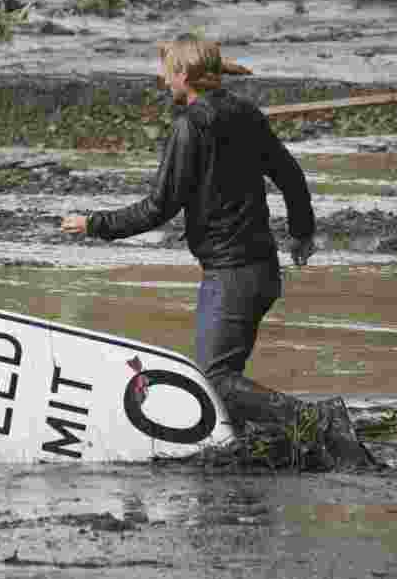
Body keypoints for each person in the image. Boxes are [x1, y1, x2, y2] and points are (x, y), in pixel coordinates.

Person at [61, 38, 373, 469]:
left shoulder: (191, 127)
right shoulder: (245, 113)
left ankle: (318, 421)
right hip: (260, 271)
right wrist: (301, 233)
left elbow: (159, 206)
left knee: (215, 382)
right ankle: (256, 457)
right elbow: (289, 174)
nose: (162, 79)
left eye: (167, 72)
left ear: (184, 77)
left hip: (232, 276)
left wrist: (94, 224)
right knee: (227, 383)